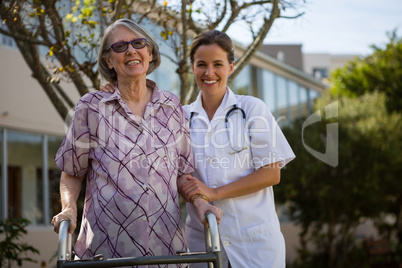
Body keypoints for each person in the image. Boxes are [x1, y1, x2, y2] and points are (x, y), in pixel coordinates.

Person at [101, 30, 295, 268]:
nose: (209, 72)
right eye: (201, 64)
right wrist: (119, 94)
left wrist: (214, 192)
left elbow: (271, 173)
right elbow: (142, 141)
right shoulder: (177, 115)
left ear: (231, 67)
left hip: (255, 245)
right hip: (202, 243)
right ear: (192, 67)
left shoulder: (252, 109)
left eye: (218, 64)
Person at [51, 19, 221, 266]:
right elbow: (72, 172)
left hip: (166, 252)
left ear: (149, 53)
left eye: (138, 43)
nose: (131, 50)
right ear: (109, 61)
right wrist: (69, 208)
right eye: (119, 47)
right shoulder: (91, 107)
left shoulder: (172, 107)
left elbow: (182, 175)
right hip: (104, 251)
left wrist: (201, 203)